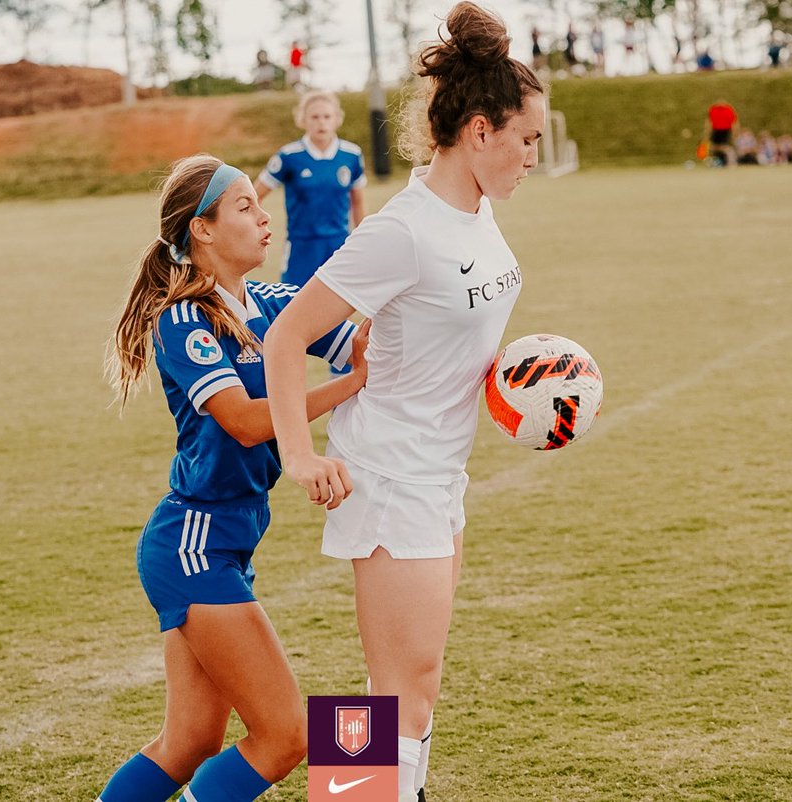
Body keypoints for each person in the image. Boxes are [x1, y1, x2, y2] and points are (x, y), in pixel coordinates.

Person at [262, 4, 544, 801]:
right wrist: (299, 454)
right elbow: (285, 338)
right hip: (389, 476)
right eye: (526, 140)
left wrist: (527, 385)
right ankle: (356, 795)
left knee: (412, 687)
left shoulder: (477, 212)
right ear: (481, 131)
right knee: (396, 691)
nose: (532, 156)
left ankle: (389, 792)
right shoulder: (405, 230)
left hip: (437, 471)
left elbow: (431, 332)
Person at [98, 154, 370, 802]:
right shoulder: (183, 320)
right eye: (244, 206)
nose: (262, 215)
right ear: (204, 230)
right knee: (286, 736)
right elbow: (246, 422)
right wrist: (350, 385)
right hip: (192, 546)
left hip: (228, 542)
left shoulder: (275, 302)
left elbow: (364, 341)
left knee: (189, 741)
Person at [254, 90, 366, 290]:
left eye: (327, 116)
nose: (321, 122)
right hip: (301, 246)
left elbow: (357, 202)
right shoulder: (288, 156)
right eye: (314, 117)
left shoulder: (352, 155)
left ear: (337, 119)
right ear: (303, 120)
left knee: (337, 311)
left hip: (339, 245)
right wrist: (254, 240)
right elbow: (254, 197)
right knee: (291, 306)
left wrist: (363, 241)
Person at [705, 99, 738, 167]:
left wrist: (734, 133)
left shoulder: (728, 109)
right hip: (716, 130)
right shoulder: (713, 109)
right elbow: (709, 122)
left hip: (725, 130)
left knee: (724, 147)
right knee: (713, 147)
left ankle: (731, 162)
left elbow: (734, 122)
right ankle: (714, 162)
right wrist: (708, 132)